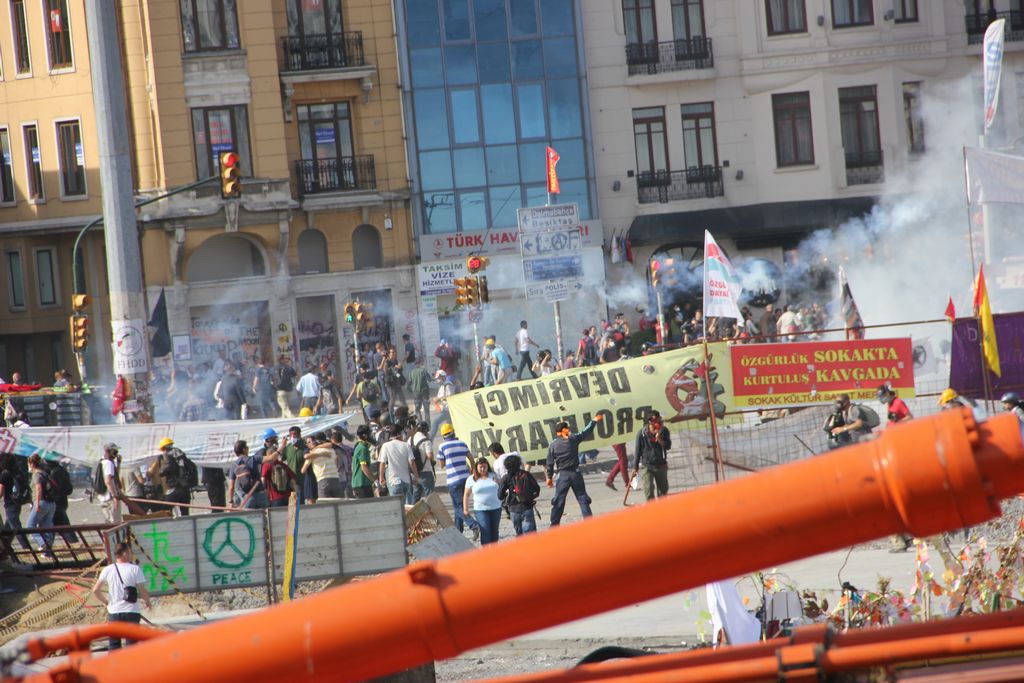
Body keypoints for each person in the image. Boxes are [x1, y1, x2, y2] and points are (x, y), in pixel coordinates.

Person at [90, 542, 152, 650]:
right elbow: (142, 590)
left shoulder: (107, 569)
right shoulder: (135, 569)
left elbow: (95, 590)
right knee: (132, 647)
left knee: (114, 646)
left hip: (114, 613)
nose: (131, 553)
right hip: (131, 612)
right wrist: (148, 602)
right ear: (124, 553)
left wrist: (105, 602)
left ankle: (114, 666)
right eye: (129, 551)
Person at [545, 416, 603, 526]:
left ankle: (554, 525)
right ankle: (589, 523)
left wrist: (549, 477)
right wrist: (594, 421)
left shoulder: (552, 445)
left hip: (562, 476)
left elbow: (550, 462)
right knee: (582, 498)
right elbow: (586, 432)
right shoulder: (573, 439)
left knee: (559, 501)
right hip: (575, 474)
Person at [437, 423, 477, 535]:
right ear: (453, 432)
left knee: (458, 506)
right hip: (466, 479)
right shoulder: (462, 443)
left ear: (443, 435)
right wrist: (472, 470)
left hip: (453, 480)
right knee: (458, 506)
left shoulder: (442, 447)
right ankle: (458, 532)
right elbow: (471, 459)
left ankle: (473, 524)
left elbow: (441, 465)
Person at [631, 411, 672, 501]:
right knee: (648, 489)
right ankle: (652, 510)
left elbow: (668, 446)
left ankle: (662, 512)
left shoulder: (664, 431)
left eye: (658, 420)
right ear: (650, 422)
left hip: (661, 465)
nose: (657, 423)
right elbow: (637, 451)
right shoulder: (641, 434)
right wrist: (635, 467)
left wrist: (660, 439)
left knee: (663, 492)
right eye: (655, 421)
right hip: (647, 465)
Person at [498, 454, 540, 535]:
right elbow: (537, 489)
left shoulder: (506, 478)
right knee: (530, 536)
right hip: (527, 507)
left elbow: (500, 495)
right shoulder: (526, 474)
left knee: (520, 535)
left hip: (513, 510)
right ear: (519, 464)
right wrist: (529, 497)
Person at [463, 457, 502, 544]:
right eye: (480, 467)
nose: (483, 469)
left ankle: (495, 552)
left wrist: (498, 482)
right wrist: (465, 509)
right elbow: (466, 495)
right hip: (480, 509)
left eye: (484, 466)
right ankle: (486, 553)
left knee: (494, 532)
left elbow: (502, 488)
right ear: (476, 467)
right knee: (485, 531)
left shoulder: (494, 475)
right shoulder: (471, 479)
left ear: (487, 466)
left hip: (496, 507)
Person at [379, 424, 419, 504]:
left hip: (394, 481)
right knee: (406, 506)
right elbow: (412, 462)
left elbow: (382, 463)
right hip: (406, 481)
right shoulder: (406, 445)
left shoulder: (385, 446)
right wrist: (416, 476)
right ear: (399, 434)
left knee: (397, 508)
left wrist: (381, 477)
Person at [26, 454, 55, 552]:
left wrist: (37, 504)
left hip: (41, 502)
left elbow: (38, 489)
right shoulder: (45, 473)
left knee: (30, 526)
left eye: (28, 463)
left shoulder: (36, 474)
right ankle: (48, 553)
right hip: (51, 503)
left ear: (32, 464)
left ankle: (42, 544)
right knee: (47, 528)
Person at [157, 438, 193, 516]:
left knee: (165, 511)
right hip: (185, 489)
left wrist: (164, 461)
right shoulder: (181, 454)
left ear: (165, 448)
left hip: (175, 488)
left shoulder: (169, 456)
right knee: (185, 512)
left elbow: (162, 472)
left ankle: (170, 527)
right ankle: (187, 526)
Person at [227, 440, 267, 509]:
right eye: (247, 447)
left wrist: (231, 502)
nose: (248, 448)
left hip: (247, 497)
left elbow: (231, 487)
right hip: (260, 494)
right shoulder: (252, 459)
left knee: (249, 518)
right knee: (264, 517)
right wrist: (281, 448)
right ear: (244, 449)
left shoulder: (234, 465)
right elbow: (271, 458)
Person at [304, 433, 343, 499]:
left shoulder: (314, 451)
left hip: (321, 478)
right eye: (308, 442)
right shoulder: (330, 450)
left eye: (312, 441)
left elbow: (303, 469)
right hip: (335, 477)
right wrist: (321, 454)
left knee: (324, 503)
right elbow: (306, 456)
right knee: (338, 501)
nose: (311, 443)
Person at [262, 444, 297, 508]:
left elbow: (263, 480)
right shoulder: (283, 465)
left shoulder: (267, 465)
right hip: (287, 496)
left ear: (269, 454)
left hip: (274, 498)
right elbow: (292, 481)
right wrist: (296, 494)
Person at [98, 443, 123, 523]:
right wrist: (114, 496)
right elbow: (108, 481)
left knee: (108, 522)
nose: (116, 453)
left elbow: (114, 475)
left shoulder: (101, 462)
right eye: (114, 451)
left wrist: (118, 463)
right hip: (110, 499)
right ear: (108, 451)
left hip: (103, 497)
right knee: (115, 522)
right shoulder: (108, 463)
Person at [411, 421, 435, 498]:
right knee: (429, 496)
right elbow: (430, 456)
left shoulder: (410, 440)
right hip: (425, 472)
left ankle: (412, 510)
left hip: (414, 472)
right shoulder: (426, 441)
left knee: (416, 496)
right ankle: (429, 510)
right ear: (425, 430)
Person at [351, 425, 375, 498]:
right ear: (365, 435)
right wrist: (374, 480)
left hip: (361, 484)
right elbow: (364, 467)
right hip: (362, 484)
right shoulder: (362, 448)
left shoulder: (360, 446)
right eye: (370, 434)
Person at [407, 359, 432, 424]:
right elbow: (429, 379)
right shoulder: (423, 370)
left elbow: (408, 384)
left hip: (416, 394)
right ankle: (428, 425)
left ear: (415, 365)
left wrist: (412, 391)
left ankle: (420, 423)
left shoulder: (411, 372)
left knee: (417, 410)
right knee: (426, 410)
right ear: (420, 364)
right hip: (425, 393)